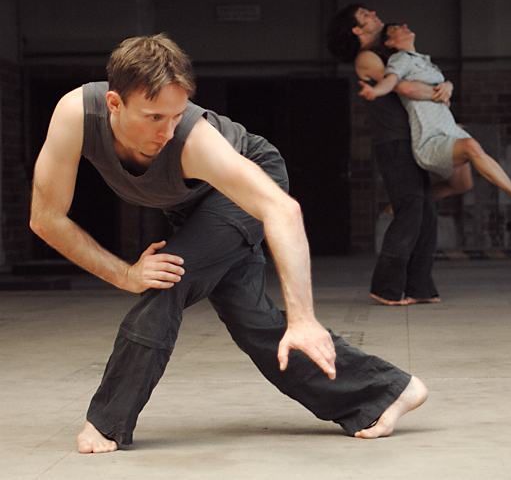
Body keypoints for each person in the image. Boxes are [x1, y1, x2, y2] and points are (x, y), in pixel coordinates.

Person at [29, 33, 427, 453]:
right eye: (153, 117)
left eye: (176, 115)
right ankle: (387, 390)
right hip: (191, 205)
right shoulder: (76, 115)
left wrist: (304, 319)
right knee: (255, 326)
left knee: (167, 281)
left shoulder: (193, 141)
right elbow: (46, 218)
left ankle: (107, 422)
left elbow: (282, 210)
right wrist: (124, 274)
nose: (167, 131)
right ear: (114, 103)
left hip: (251, 185)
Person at [359, 23, 511, 222]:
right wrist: (376, 91)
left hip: (448, 128)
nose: (404, 26)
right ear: (390, 42)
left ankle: (399, 204)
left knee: (462, 186)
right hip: (430, 138)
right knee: (471, 147)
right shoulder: (400, 58)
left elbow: (442, 91)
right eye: (396, 28)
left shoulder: (427, 63)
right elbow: (392, 81)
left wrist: (449, 85)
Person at [326, 5, 447, 306]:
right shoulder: (367, 58)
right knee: (410, 209)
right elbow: (405, 87)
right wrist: (438, 89)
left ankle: (420, 287)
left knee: (427, 213)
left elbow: (419, 80)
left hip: (411, 137)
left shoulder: (392, 54)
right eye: (366, 15)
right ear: (357, 29)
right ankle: (386, 287)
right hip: (393, 142)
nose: (375, 14)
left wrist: (446, 85)